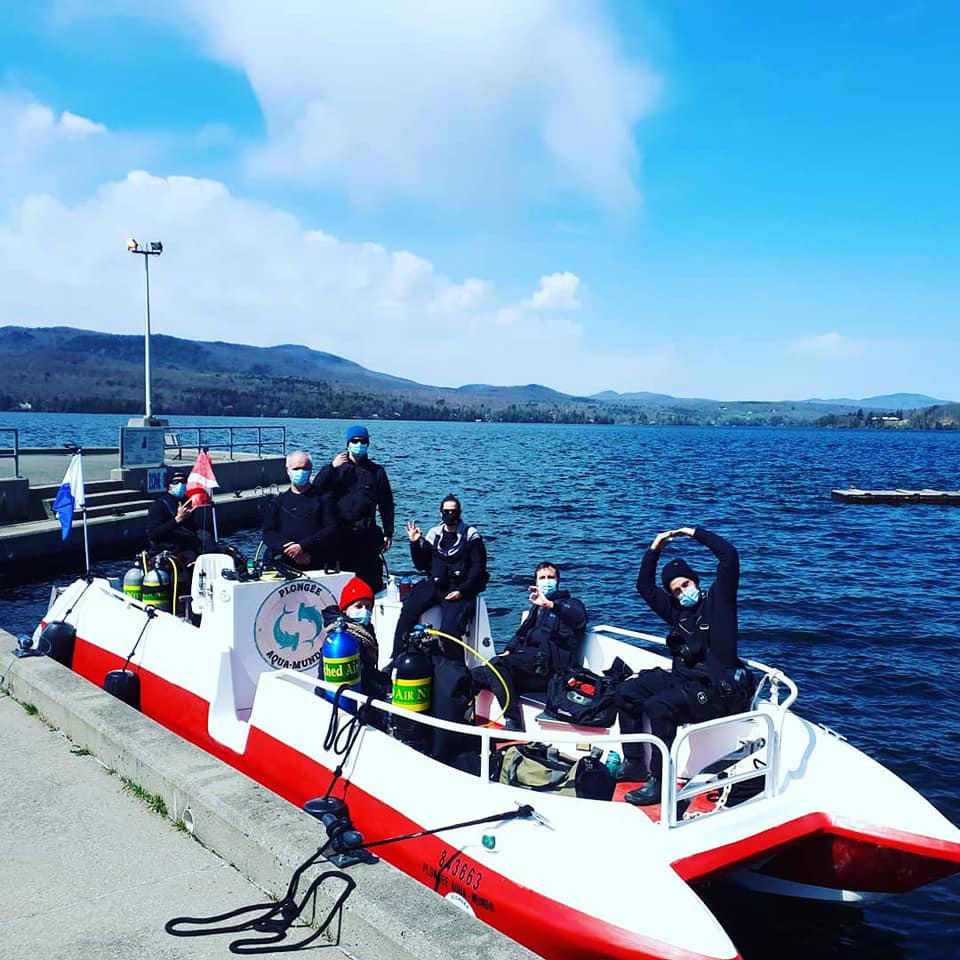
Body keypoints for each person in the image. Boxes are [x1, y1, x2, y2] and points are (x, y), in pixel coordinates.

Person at [616, 526, 754, 806]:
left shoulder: (720, 603)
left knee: (658, 706)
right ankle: (634, 763)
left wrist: (693, 533)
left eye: (685, 585)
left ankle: (660, 779)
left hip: (716, 689)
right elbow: (644, 587)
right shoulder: (677, 611)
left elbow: (729, 556)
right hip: (683, 681)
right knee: (626, 692)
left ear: (695, 582)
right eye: (676, 590)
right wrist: (655, 548)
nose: (682, 592)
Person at [471, 562, 587, 731]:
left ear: (558, 580)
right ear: (536, 581)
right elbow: (521, 633)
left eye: (550, 577)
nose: (546, 581)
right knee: (473, 675)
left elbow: (579, 619)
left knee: (497, 665)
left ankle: (514, 722)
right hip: (529, 664)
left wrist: (551, 605)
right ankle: (463, 716)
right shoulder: (536, 609)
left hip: (551, 671)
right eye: (542, 578)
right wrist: (509, 650)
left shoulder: (570, 604)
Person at [392, 494, 488, 661]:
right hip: (436, 584)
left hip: (459, 590)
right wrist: (414, 543)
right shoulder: (434, 535)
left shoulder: (471, 537)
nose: (450, 515)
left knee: (449, 631)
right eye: (446, 512)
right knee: (408, 611)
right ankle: (398, 657)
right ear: (441, 514)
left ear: (459, 513)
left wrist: (462, 591)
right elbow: (421, 565)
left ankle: (457, 669)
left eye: (453, 512)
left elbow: (478, 569)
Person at [313, 424, 394, 593]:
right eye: (355, 441)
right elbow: (316, 489)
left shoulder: (377, 471)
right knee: (341, 580)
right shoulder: (336, 469)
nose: (358, 444)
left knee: (371, 581)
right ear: (348, 444)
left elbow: (386, 504)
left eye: (362, 441)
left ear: (367, 444)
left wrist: (388, 532)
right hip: (340, 534)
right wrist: (331, 467)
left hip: (366, 533)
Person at [262, 451, 338, 569]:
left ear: (311, 470)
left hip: (316, 562)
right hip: (285, 563)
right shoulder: (278, 502)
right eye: (296, 469)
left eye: (305, 468)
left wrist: (302, 547)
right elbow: (268, 533)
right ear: (288, 470)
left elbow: (331, 529)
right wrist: (291, 549)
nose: (300, 472)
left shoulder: (325, 498)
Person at [146, 469, 214, 561]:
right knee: (190, 556)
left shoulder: (188, 501)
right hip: (169, 546)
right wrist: (177, 519)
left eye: (183, 481)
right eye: (176, 482)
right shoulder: (159, 505)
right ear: (169, 486)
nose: (181, 484)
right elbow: (152, 534)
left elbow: (192, 528)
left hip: (187, 543)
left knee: (205, 537)